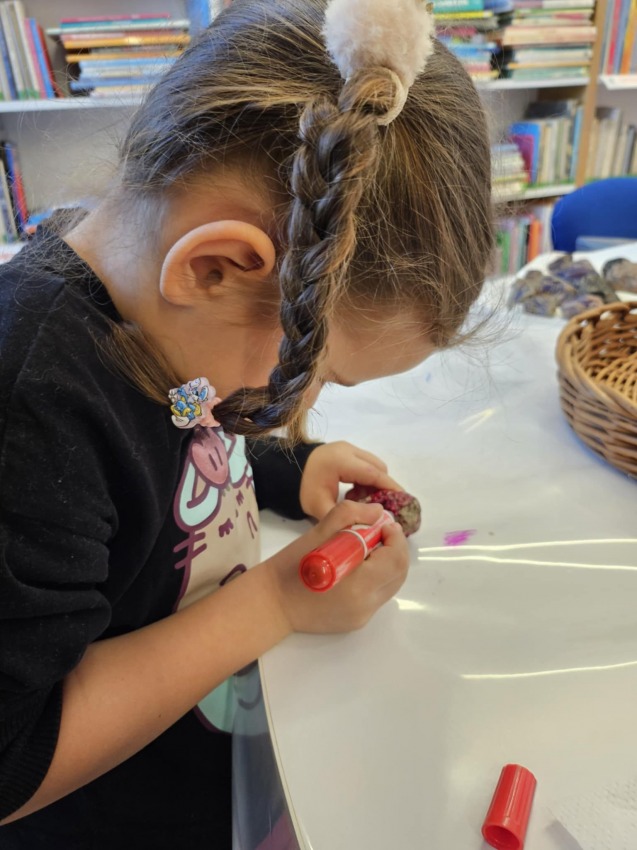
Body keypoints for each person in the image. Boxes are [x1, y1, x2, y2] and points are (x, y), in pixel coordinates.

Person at [0, 0, 493, 846]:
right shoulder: (29, 408)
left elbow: (175, 421)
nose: (302, 405)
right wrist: (275, 603)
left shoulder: (151, 315)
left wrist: (282, 467)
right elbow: (13, 759)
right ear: (216, 268)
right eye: (311, 374)